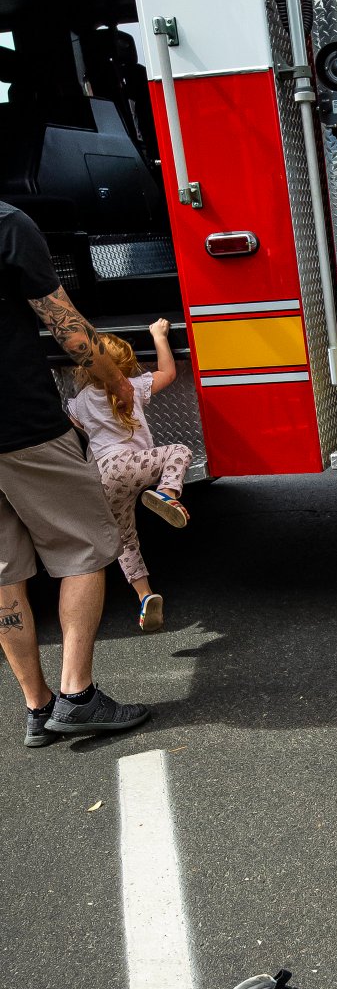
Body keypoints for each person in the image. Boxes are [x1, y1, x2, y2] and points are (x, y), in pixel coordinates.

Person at [0, 199, 149, 747]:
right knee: (86, 547)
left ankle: (38, 709)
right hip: (22, 425)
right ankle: (78, 696)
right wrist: (114, 381)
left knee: (3, 571)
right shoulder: (7, 225)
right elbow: (71, 332)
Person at [68, 320, 192, 634]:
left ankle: (145, 595)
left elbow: (76, 432)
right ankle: (167, 493)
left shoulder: (80, 402)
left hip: (103, 479)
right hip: (133, 465)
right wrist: (158, 337)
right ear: (124, 367)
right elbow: (169, 372)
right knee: (177, 450)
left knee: (126, 543)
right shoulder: (131, 387)